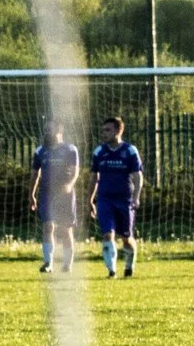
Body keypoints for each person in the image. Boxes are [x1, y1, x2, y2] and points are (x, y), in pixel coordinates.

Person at [87, 117, 143, 279]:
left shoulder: (130, 151)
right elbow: (94, 177)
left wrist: (136, 197)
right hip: (105, 199)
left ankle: (129, 265)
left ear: (119, 131)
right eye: (103, 130)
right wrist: (90, 200)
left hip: (125, 199)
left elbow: (138, 176)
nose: (104, 134)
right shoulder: (99, 152)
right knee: (107, 234)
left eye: (108, 130)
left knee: (126, 238)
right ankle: (111, 270)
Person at [29, 120, 79, 273]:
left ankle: (67, 264)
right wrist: (31, 194)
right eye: (45, 130)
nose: (46, 133)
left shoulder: (70, 149)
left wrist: (69, 184)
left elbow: (75, 170)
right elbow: (35, 174)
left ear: (59, 131)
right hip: (47, 194)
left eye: (49, 130)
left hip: (65, 194)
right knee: (48, 226)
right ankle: (48, 263)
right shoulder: (40, 151)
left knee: (66, 230)